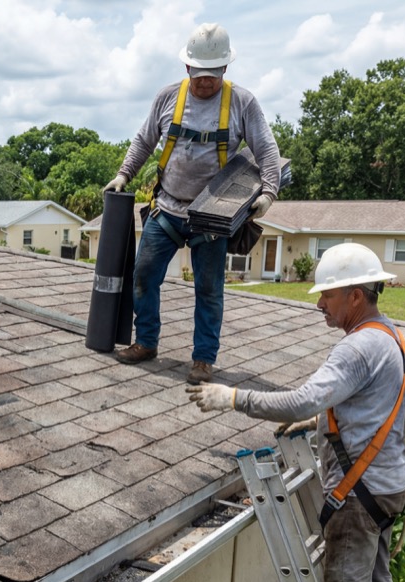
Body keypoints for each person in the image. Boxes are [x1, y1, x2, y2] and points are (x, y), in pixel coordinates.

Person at [185, 243, 405, 582]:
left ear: (355, 295)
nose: (319, 304)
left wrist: (234, 398)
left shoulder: (357, 347)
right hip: (388, 485)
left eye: (327, 295)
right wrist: (319, 424)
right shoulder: (390, 336)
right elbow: (370, 407)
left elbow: (302, 399)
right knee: (375, 578)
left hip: (359, 494)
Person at [104, 22, 281, 384]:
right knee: (143, 276)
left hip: (212, 216)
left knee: (209, 290)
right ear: (187, 66)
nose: (205, 82)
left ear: (225, 67)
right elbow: (143, 140)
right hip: (167, 207)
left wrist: (268, 192)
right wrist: (123, 174)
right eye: (199, 74)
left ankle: (203, 359)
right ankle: (146, 342)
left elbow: (266, 149)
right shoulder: (168, 97)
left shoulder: (242, 103)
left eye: (213, 75)